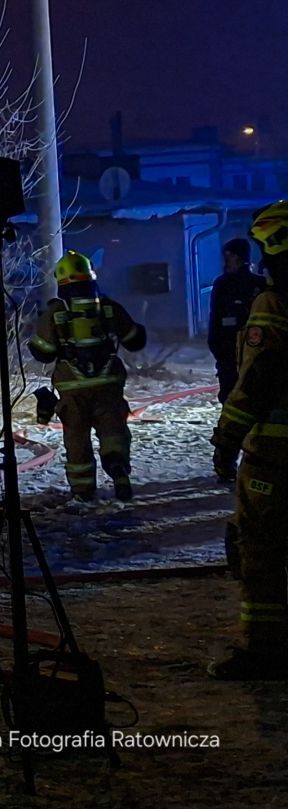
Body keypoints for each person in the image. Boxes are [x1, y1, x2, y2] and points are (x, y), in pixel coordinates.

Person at [210, 200, 288, 679]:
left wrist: (226, 439)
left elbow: (257, 381)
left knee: (259, 549)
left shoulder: (274, 305)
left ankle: (266, 651)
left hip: (276, 455)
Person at [28, 251, 148, 502]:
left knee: (77, 437)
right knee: (113, 430)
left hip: (72, 387)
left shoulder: (56, 312)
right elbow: (135, 340)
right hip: (108, 383)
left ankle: (83, 490)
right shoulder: (108, 307)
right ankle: (118, 470)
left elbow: (44, 353)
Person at [211, 238, 269, 403]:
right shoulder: (222, 284)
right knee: (230, 394)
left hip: (252, 351)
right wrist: (218, 350)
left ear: (238, 257)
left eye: (229, 256)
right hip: (229, 351)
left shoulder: (258, 284)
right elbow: (215, 319)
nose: (225, 261)